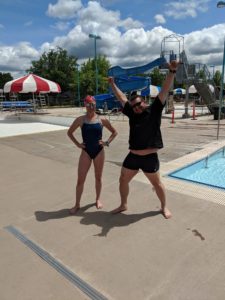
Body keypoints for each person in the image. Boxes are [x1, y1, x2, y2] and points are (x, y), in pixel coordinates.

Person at [108, 60, 179, 219]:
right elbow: (121, 97)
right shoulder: (132, 113)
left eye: (139, 104)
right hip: (133, 157)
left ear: (144, 101)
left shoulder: (154, 110)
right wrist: (112, 84)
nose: (137, 108)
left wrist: (172, 72)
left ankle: (163, 207)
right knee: (122, 180)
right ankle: (123, 204)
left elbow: (165, 89)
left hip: (149, 158)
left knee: (157, 184)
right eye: (134, 106)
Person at [67, 95, 117, 214]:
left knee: (98, 177)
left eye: (93, 104)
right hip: (86, 152)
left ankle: (98, 199)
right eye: (88, 104)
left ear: (95, 105)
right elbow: (69, 133)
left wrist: (106, 142)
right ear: (85, 105)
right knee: (80, 179)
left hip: (99, 151)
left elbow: (114, 132)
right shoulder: (80, 120)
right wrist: (78, 145)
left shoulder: (102, 119)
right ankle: (77, 204)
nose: (91, 107)